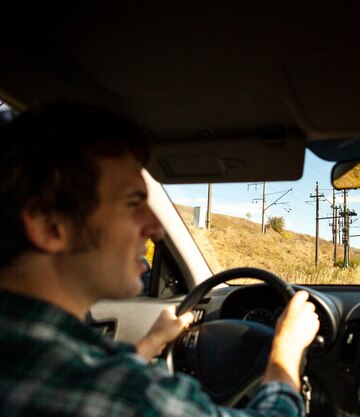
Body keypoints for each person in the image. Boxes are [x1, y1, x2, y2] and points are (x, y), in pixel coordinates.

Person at [0, 100, 320, 416]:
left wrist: (152, 341)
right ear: (49, 225)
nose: (155, 229)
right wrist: (285, 352)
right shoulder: (128, 395)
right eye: (132, 202)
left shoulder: (43, 364)